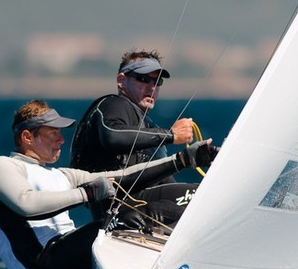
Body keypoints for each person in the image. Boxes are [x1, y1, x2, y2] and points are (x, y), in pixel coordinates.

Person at [0, 99, 217, 269]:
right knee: (121, 220)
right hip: (44, 268)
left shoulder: (62, 175)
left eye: (61, 134)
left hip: (75, 268)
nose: (61, 140)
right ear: (27, 137)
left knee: (154, 210)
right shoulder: (1, 167)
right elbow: (27, 205)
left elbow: (122, 178)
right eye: (53, 134)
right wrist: (87, 193)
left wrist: (183, 159)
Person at [70, 49, 206, 230]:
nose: (151, 87)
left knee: (206, 194)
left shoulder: (149, 126)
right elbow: (112, 135)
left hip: (136, 207)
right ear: (121, 80)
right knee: (207, 196)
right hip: (118, 208)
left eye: (157, 81)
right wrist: (171, 135)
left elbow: (164, 182)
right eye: (143, 79)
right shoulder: (114, 104)